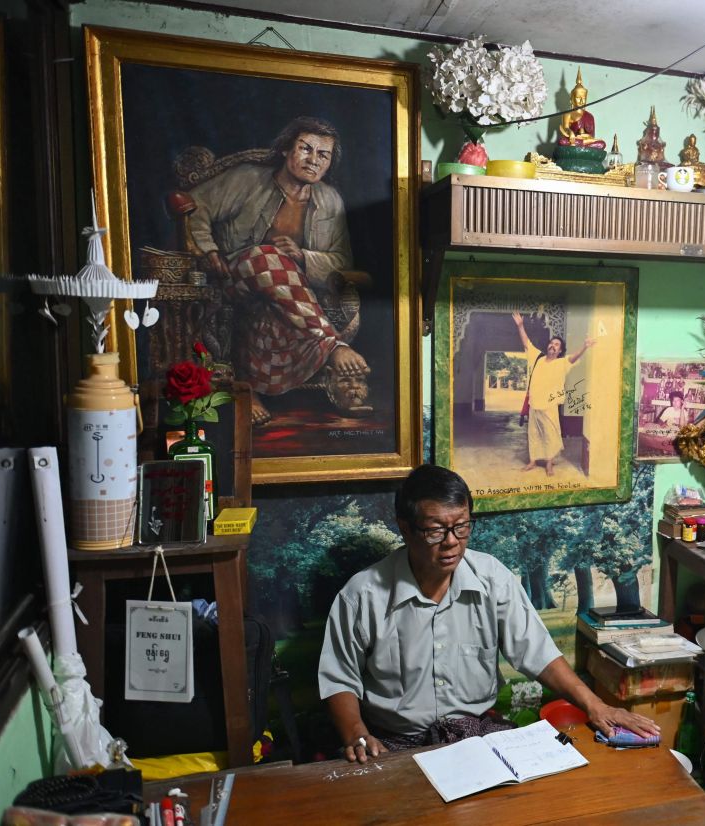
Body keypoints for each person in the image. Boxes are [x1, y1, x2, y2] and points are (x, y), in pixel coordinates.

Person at [319, 464, 659, 761]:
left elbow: (537, 653)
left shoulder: (492, 578)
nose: (451, 542)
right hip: (394, 741)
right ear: (405, 528)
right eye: (435, 530)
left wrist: (596, 705)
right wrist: (357, 735)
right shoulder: (362, 595)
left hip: (475, 732)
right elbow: (339, 679)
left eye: (462, 527)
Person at [186, 115, 370, 426]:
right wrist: (209, 250)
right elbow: (193, 206)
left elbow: (343, 262)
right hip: (233, 280)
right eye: (305, 149)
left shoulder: (330, 201)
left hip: (288, 299)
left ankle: (248, 387)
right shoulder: (246, 179)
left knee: (277, 304)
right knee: (267, 257)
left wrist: (303, 256)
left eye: (323, 155)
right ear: (286, 149)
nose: (313, 160)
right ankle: (333, 345)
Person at [511, 312, 595, 476]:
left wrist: (584, 346)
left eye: (556, 344)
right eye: (551, 343)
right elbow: (526, 342)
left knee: (550, 435)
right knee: (533, 434)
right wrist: (520, 326)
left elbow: (573, 358)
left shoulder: (562, 363)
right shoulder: (537, 358)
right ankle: (533, 461)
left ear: (560, 350)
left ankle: (549, 464)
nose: (552, 345)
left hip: (549, 406)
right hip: (534, 404)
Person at [558, 69, 607, 149]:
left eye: (583, 98)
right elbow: (565, 128)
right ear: (572, 99)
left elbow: (592, 136)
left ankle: (583, 144)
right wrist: (570, 132)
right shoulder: (568, 114)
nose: (581, 101)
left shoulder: (589, 116)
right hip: (573, 140)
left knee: (602, 144)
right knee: (562, 141)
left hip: (584, 142)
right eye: (578, 98)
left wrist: (585, 136)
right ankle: (583, 144)